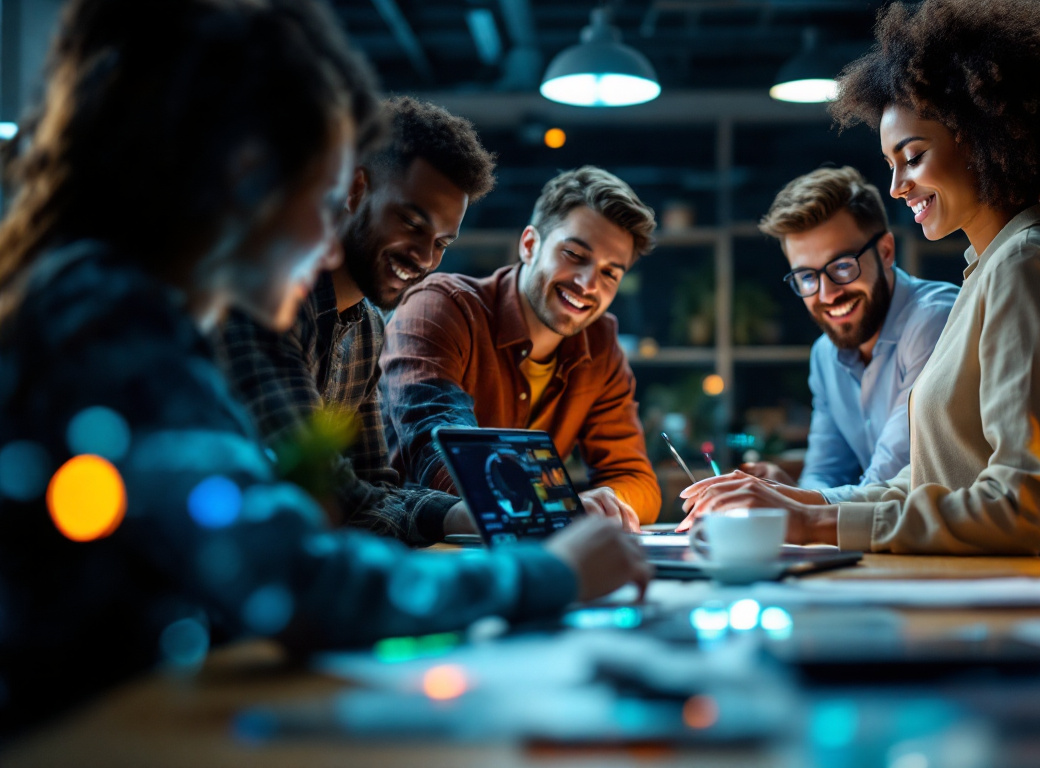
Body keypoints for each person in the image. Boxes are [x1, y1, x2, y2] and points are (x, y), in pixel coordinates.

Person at [0, 0, 648, 734]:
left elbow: (347, 506)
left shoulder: (105, 297)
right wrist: (549, 575)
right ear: (245, 176)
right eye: (326, 196)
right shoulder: (107, 313)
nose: (330, 242)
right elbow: (291, 576)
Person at [680, 0, 1040, 569]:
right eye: (891, 163)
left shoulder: (1026, 264)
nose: (896, 186)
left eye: (911, 157)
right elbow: (934, 479)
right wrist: (797, 501)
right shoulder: (992, 267)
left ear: (984, 137)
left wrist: (814, 519)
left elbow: (1022, 507)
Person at [217, 96, 494, 547]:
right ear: (354, 189)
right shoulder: (268, 302)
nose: (425, 258)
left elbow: (370, 484)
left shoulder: (367, 328)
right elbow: (318, 488)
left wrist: (464, 513)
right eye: (410, 222)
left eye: (442, 242)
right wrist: (451, 517)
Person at [381, 167, 662, 531]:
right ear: (529, 245)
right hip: (423, 551)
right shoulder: (441, 308)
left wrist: (597, 505)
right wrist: (564, 507)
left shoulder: (600, 344)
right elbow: (444, 455)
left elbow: (636, 480)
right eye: (575, 254)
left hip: (526, 551)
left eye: (610, 273)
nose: (587, 283)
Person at [743, 166, 956, 501]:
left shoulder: (934, 320)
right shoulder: (825, 355)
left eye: (842, 266)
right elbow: (825, 473)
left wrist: (797, 501)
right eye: (807, 277)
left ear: (885, 251)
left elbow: (891, 483)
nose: (827, 295)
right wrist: (790, 493)